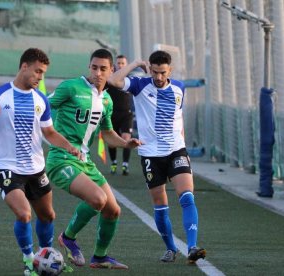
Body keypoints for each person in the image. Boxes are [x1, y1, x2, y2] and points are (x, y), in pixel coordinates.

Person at [0, 48, 80, 276]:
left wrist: (69, 146)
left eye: (43, 73)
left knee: (48, 216)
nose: (40, 77)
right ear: (24, 66)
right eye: (37, 72)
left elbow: (50, 132)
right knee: (24, 214)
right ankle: (28, 260)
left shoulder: (41, 99)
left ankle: (46, 258)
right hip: (6, 168)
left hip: (36, 168)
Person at [108, 50, 206, 264]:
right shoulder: (139, 85)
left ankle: (192, 247)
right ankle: (171, 248)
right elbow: (113, 79)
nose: (159, 77)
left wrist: (182, 142)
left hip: (176, 151)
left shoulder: (180, 87)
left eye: (163, 72)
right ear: (149, 69)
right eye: (154, 72)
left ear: (170, 70)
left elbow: (177, 117)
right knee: (161, 205)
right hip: (151, 155)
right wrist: (135, 63)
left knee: (187, 197)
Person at [46, 48, 141, 270]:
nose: (98, 73)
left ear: (111, 71)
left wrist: (126, 143)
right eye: (94, 67)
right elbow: (42, 107)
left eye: (103, 69)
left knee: (113, 210)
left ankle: (99, 257)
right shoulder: (71, 87)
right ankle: (68, 237)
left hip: (85, 162)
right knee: (98, 199)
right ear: (89, 67)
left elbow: (107, 133)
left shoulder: (106, 100)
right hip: (61, 159)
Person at [106, 55, 133, 175]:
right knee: (112, 142)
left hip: (126, 115)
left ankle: (125, 165)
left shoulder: (130, 81)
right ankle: (114, 162)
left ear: (126, 65)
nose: (120, 65)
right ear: (115, 65)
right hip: (112, 115)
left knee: (126, 139)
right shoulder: (111, 80)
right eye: (118, 63)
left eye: (123, 63)